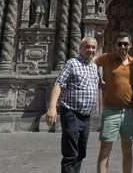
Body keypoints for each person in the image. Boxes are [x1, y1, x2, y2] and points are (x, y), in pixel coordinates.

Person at [46, 37, 99, 173]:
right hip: (71, 113)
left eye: (93, 47)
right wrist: (52, 108)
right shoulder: (72, 63)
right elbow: (59, 84)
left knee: (81, 153)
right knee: (71, 154)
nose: (91, 50)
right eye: (87, 47)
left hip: (86, 116)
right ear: (80, 48)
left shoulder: (94, 67)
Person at [95, 32, 133, 173]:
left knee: (127, 149)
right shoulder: (107, 58)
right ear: (115, 45)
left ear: (130, 46)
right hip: (110, 111)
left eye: (125, 44)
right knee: (105, 150)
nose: (122, 46)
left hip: (129, 112)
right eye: (119, 43)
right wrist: (97, 78)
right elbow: (89, 61)